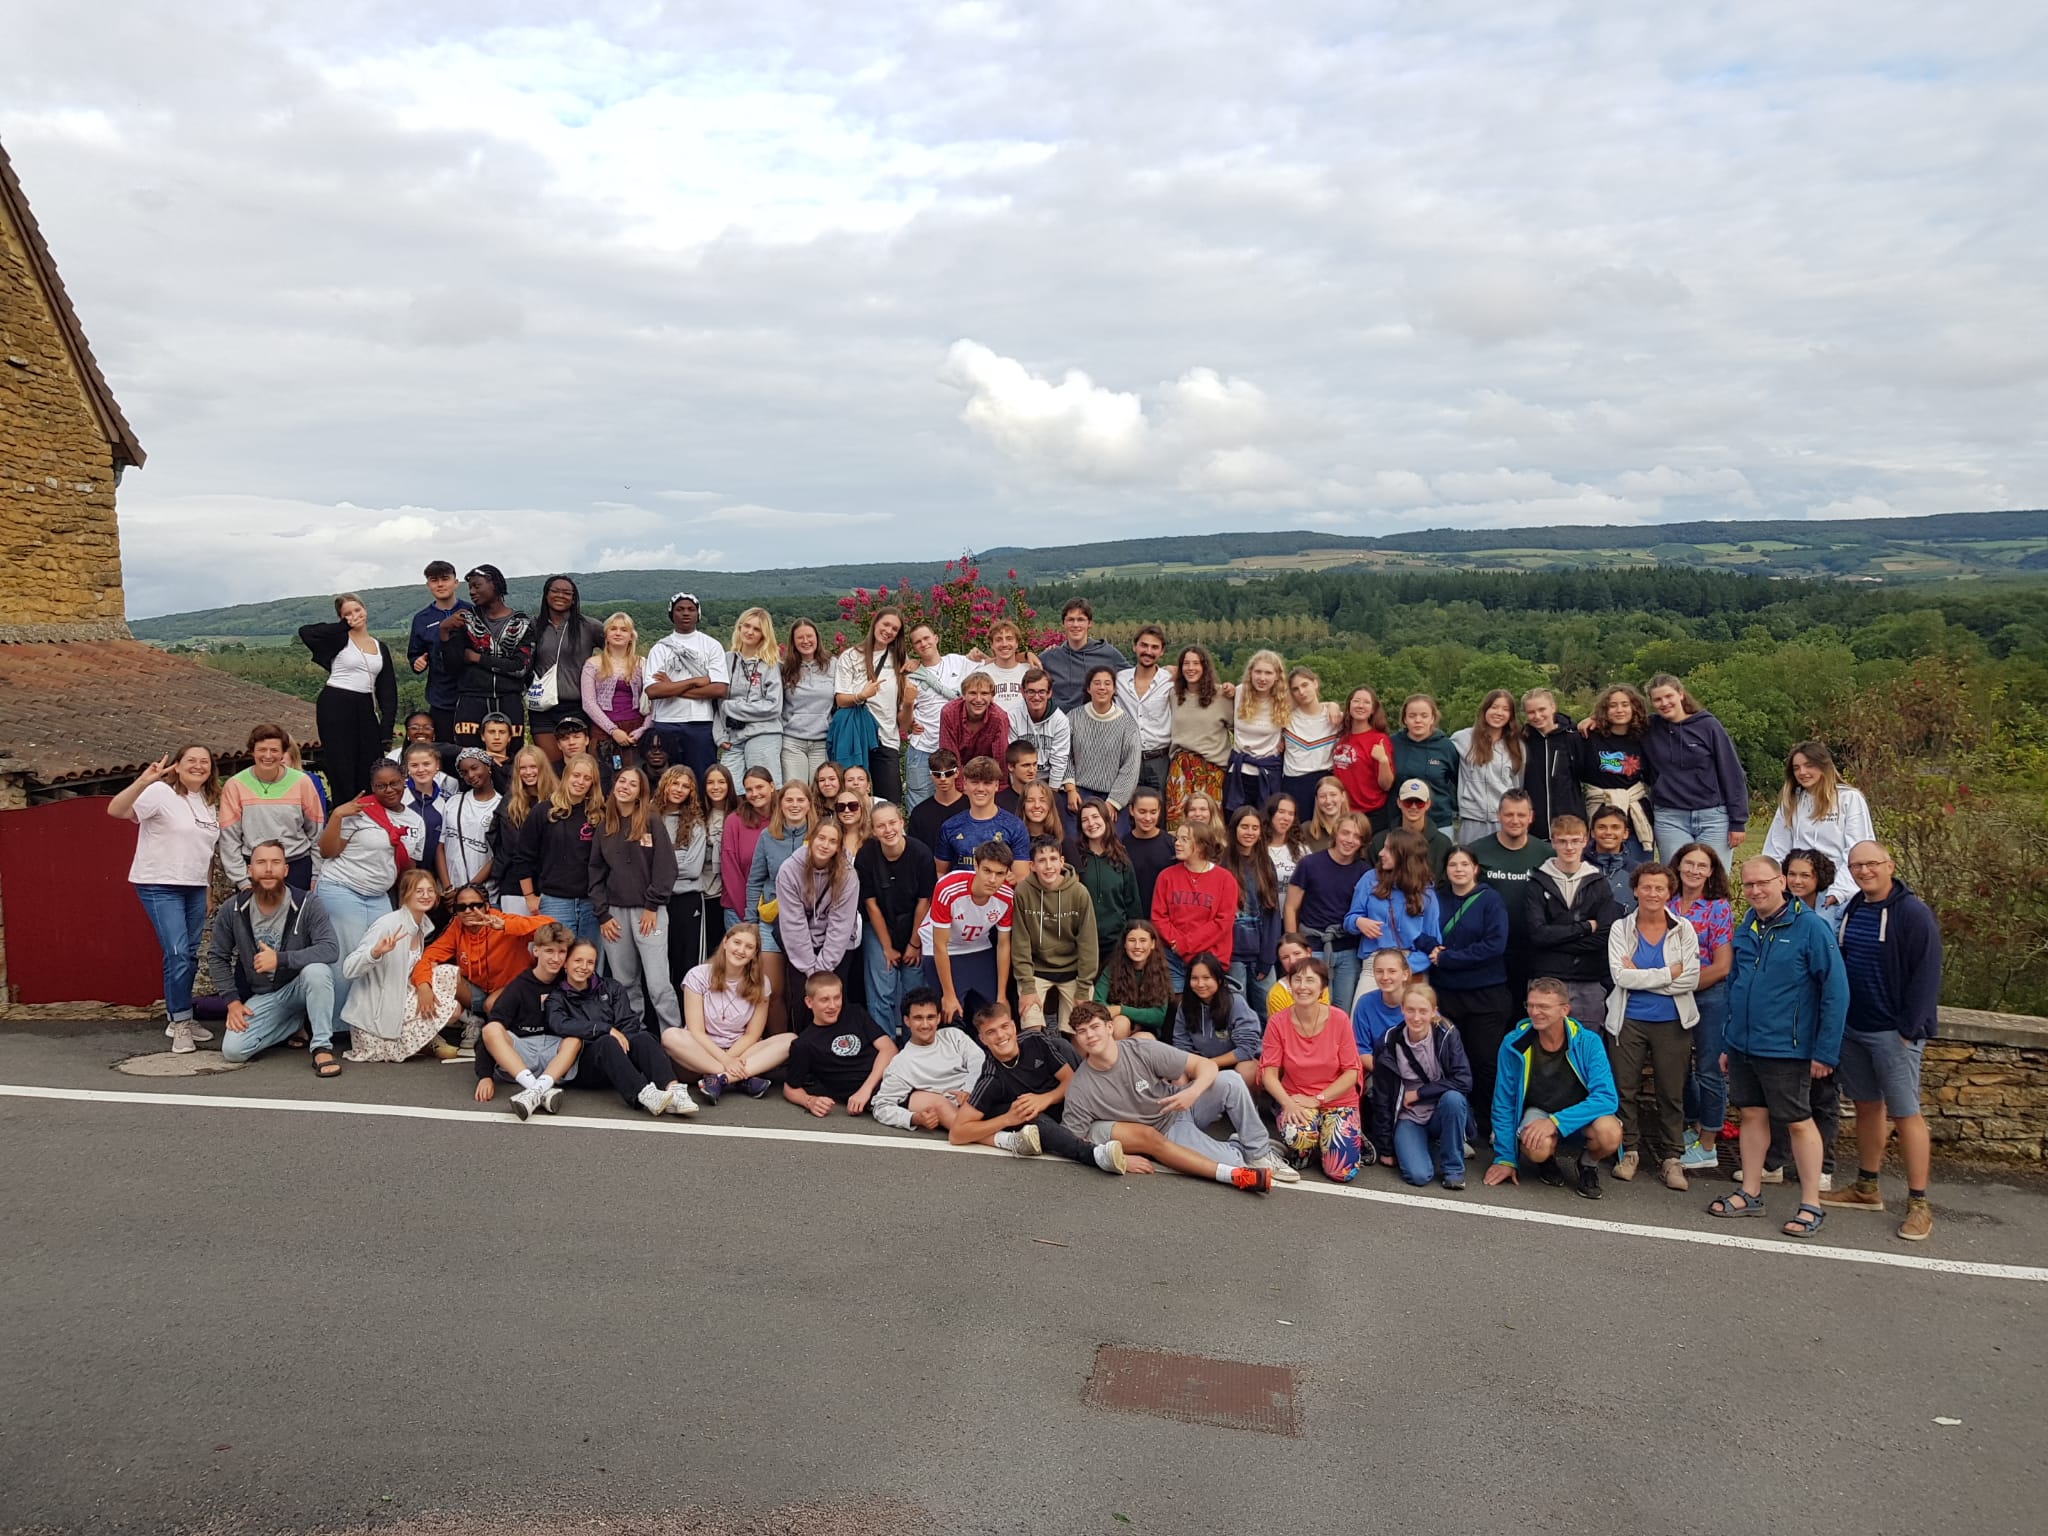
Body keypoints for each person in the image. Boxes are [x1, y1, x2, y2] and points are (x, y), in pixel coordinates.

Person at [1709, 857, 1848, 1239]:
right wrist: (1727, 1039)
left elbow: (1836, 991)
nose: (1755, 890)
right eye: (1749, 884)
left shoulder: (1811, 929)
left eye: (1763, 883)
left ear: (1782, 881)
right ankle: (1751, 1192)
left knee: (1799, 1122)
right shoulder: (1747, 927)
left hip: (1786, 1048)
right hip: (1743, 1044)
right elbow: (1734, 986)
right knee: (1752, 1115)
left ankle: (1810, 1203)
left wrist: (1826, 1051)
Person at [1820, 841, 1944, 1242]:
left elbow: (1927, 974)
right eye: (1856, 865)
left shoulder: (1912, 913)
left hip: (1894, 1033)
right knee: (1867, 1107)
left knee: (1907, 1114)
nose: (1864, 871)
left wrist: (1909, 1029)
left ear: (1890, 864)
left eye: (1871, 863)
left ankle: (1919, 1204)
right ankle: (1867, 1187)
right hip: (1853, 1028)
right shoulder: (1854, 907)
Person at [1062, 1001, 1279, 1193]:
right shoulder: (1081, 1087)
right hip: (1167, 1131)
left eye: (1095, 1027)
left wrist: (1192, 1093)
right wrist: (1119, 1159)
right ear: (1077, 1039)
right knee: (1234, 1162)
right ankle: (1238, 1147)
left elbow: (1204, 1065)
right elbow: (1072, 1142)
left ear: (1110, 1027)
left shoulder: (1140, 1049)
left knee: (1230, 1079)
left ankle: (1259, 1150)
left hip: (1180, 1102)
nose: (1090, 1035)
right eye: (1082, 1031)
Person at [112, 746, 222, 1056]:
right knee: (177, 953)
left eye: (205, 761)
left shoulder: (208, 800)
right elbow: (116, 810)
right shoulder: (159, 792)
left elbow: (207, 851)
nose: (198, 766)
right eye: (191, 761)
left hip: (195, 887)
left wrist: (208, 888)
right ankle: (182, 1024)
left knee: (187, 954)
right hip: (159, 884)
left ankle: (178, 1016)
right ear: (176, 766)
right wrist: (143, 782)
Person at [1603, 862, 1701, 1191]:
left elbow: (1691, 977)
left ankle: (1672, 1158)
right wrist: (1667, 973)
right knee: (1625, 1089)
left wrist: (1643, 978)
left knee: (1671, 1093)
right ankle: (1629, 1152)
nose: (1652, 893)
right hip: (1628, 1020)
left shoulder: (1683, 929)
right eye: (1646, 887)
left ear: (1669, 891)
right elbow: (1620, 977)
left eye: (1659, 888)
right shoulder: (1621, 928)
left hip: (1672, 1021)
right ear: (1635, 889)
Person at [1483, 978, 1624, 1199]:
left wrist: (1555, 1122)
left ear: (1564, 1010)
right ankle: (1546, 1161)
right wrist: (1505, 1159)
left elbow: (1606, 1098)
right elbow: (1504, 1103)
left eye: (1544, 1007)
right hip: (1539, 1112)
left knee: (1610, 1132)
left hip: (1579, 1115)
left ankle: (1588, 1165)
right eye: (1530, 1005)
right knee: (1536, 1148)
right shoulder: (1513, 1043)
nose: (1535, 1012)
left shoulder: (1589, 1042)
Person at [210, 840, 342, 1074]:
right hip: (266, 997)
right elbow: (217, 956)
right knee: (233, 1051)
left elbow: (330, 948)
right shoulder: (233, 909)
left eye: (275, 862)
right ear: (250, 871)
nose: (268, 869)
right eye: (261, 863)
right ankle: (291, 1025)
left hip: (299, 987)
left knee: (317, 971)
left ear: (286, 870)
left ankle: (321, 1047)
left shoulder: (307, 903)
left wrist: (281, 959)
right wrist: (232, 1002)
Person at [950, 1002, 1130, 1171]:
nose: (1000, 1036)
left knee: (1061, 1044)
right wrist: (1008, 1119)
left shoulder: (1034, 1039)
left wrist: (1045, 1099)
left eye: (1004, 1027)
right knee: (1029, 1113)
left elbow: (1071, 1080)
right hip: (1039, 1120)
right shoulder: (991, 1078)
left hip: (1064, 1102)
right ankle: (1096, 1155)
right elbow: (957, 1134)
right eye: (991, 1032)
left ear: (1013, 1026)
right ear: (982, 1039)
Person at [315, 760, 425, 1021]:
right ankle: (337, 1024)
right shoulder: (361, 812)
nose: (389, 789)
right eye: (381, 785)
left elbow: (409, 867)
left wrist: (409, 906)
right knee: (351, 957)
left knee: (384, 954)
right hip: (343, 888)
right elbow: (327, 851)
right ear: (373, 787)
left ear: (404, 780)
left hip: (379, 895)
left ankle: (371, 1019)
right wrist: (338, 815)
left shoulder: (415, 820)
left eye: (394, 783)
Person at [545, 938, 701, 1117]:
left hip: (619, 1057)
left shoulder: (611, 987)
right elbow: (560, 1024)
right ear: (565, 964)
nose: (584, 967)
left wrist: (621, 1040)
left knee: (643, 1038)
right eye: (578, 961)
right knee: (606, 1041)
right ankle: (644, 1094)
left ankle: (674, 1091)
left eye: (590, 962)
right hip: (585, 1063)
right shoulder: (557, 996)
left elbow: (628, 1021)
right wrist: (604, 1028)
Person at [1428, 845, 1513, 1146]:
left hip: (1485, 994)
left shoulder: (1490, 900)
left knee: (1484, 1060)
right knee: (1449, 1061)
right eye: (1453, 864)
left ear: (1475, 868)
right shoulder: (1436, 899)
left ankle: (1489, 1122)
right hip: (1447, 993)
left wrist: (1450, 958)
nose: (1459, 869)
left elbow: (1494, 945)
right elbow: (1423, 932)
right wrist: (1432, 948)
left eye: (1464, 864)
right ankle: (1458, 1123)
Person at [589, 765, 682, 1033]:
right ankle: (634, 1035)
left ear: (641, 792)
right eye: (621, 781)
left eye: (632, 783)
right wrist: (603, 914)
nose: (625, 787)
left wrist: (653, 904)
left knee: (658, 983)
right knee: (624, 981)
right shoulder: (606, 825)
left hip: (649, 912)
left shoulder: (651, 821)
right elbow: (595, 871)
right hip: (614, 915)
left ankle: (673, 1037)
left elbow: (666, 867)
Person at [1259, 955, 1367, 1182]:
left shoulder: (1340, 1019)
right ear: (1289, 985)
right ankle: (1308, 1146)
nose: (1302, 986)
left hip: (1336, 1099)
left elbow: (1352, 1072)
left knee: (1342, 1172)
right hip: (1296, 1098)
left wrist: (1318, 1099)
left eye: (1310, 980)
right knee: (1299, 1138)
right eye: (1296, 980)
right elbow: (1268, 1073)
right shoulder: (1278, 1022)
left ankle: (1338, 1134)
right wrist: (1287, 1103)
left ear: (1323, 988)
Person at [663, 922, 791, 1102]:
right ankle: (739, 1079)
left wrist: (731, 1059)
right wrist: (726, 1061)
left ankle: (721, 1079)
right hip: (702, 1051)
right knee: (670, 1036)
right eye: (737, 943)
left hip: (741, 1051)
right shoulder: (698, 975)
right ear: (725, 943)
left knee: (790, 1040)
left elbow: (752, 1035)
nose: (741, 950)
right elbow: (696, 1031)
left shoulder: (762, 983)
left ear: (755, 954)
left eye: (749, 947)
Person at [412, 883, 555, 1039]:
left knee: (492, 1005)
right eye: (461, 907)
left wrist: (507, 925)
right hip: (478, 991)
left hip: (513, 987)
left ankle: (505, 1036)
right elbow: (429, 957)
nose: (468, 911)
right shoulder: (457, 926)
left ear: (486, 906)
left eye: (475, 906)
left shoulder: (501, 921)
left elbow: (552, 926)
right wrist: (423, 987)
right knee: (440, 973)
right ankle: (472, 1020)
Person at [340, 868, 454, 1064]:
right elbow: (348, 969)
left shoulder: (421, 926)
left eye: (430, 891)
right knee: (453, 1006)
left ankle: (423, 1038)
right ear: (405, 894)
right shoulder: (388, 924)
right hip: (376, 1013)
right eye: (419, 891)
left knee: (443, 973)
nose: (426, 896)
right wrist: (375, 953)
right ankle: (423, 1039)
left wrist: (423, 986)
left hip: (398, 996)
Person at [1369, 981, 1475, 1189]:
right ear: (1402, 1010)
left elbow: (1464, 1080)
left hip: (1440, 1110)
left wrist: (1419, 1093)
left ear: (1434, 1012)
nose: (1416, 1017)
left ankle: (1453, 1168)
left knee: (1454, 1098)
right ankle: (1434, 1146)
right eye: (1410, 1010)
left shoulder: (1447, 1034)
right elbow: (1382, 1097)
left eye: (1423, 1011)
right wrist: (1386, 1148)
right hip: (1409, 1115)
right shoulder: (1389, 1041)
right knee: (1418, 1176)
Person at [472, 922, 582, 1117]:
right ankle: (537, 1088)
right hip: (522, 1054)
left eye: (561, 952)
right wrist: (485, 1076)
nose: (555, 958)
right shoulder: (519, 986)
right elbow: (490, 1033)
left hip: (555, 1056)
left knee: (575, 1040)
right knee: (491, 1029)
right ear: (536, 951)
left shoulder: (570, 981)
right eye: (549, 951)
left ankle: (535, 1091)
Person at [1671, 842, 1735, 1174]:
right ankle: (1694, 1125)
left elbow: (1723, 965)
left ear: (1711, 871)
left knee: (1709, 1069)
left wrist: (1681, 985)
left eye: (1702, 866)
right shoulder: (1665, 903)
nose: (1694, 870)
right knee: (1677, 1069)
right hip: (1670, 998)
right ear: (1678, 865)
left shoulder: (1717, 908)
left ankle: (1709, 1143)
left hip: (1708, 995)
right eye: (1689, 863)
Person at [298, 593, 397, 805]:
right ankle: (344, 812)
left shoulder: (380, 647)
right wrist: (343, 626)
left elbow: (388, 691)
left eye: (357, 610)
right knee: (342, 763)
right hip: (336, 702)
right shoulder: (340, 638)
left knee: (371, 762)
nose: (354, 616)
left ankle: (371, 810)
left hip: (365, 706)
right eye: (347, 613)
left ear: (365, 610)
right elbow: (306, 633)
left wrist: (386, 730)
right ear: (341, 617)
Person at [1642, 673, 1748, 867]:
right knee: (1674, 880)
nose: (1664, 703)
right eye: (1657, 699)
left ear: (1681, 694)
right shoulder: (1649, 728)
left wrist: (1737, 821)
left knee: (1713, 880)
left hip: (1713, 816)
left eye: (1669, 696)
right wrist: (1593, 720)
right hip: (1670, 817)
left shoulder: (1708, 725)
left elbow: (1732, 773)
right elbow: (1618, 719)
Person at [1526, 815, 1621, 1028]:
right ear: (1553, 841)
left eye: (1575, 840)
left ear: (1586, 840)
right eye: (1562, 841)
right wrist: (1585, 927)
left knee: (1586, 1046)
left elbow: (1605, 935)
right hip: (1546, 979)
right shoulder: (1537, 882)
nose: (1569, 847)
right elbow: (1538, 935)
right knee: (1546, 1045)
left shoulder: (1598, 883)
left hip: (1588, 979)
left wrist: (1556, 942)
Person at [1761, 741, 1875, 911]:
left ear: (1824, 766)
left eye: (1809, 766)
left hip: (1834, 886)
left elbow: (1856, 849)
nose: (1802, 772)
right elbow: (1776, 849)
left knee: (1822, 925)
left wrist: (1838, 892)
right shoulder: (1791, 801)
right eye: (1796, 768)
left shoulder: (1849, 798)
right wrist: (1774, 886)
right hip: (1797, 885)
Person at [855, 801, 935, 1038]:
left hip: (915, 924)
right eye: (881, 826)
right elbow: (871, 904)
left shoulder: (921, 853)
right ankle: (885, 1045)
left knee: (915, 987)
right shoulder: (866, 855)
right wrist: (888, 948)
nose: (888, 830)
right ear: (873, 830)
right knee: (882, 988)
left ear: (902, 823)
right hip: (879, 924)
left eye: (892, 823)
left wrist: (914, 943)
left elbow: (924, 901)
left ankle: (917, 1043)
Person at [1465, 789, 1553, 1003]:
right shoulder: (1476, 851)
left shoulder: (1547, 854)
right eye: (1509, 814)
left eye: (1521, 815)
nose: (1515, 820)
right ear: (1499, 815)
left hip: (1532, 947)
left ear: (1531, 817)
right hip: (1490, 947)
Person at [776, 816, 861, 1028]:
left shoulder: (848, 875)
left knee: (834, 1004)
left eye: (832, 841)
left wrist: (823, 969)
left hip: (836, 948)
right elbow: (793, 923)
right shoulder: (789, 870)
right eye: (821, 838)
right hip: (801, 947)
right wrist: (810, 969)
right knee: (804, 1005)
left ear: (839, 847)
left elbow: (840, 926)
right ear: (811, 839)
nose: (825, 845)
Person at [218, 724, 325, 891]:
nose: (268, 755)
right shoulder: (235, 785)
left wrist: (316, 874)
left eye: (274, 750)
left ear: (283, 753)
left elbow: (317, 832)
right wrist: (242, 880)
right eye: (262, 750)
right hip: (254, 867)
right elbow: (229, 839)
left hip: (296, 866)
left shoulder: (302, 782)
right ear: (252, 752)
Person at [748, 779, 818, 1032]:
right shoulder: (768, 836)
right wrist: (750, 923)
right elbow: (755, 880)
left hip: (809, 922)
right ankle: (780, 1051)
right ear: (780, 803)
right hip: (770, 919)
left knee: (804, 988)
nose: (795, 805)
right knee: (773, 990)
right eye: (789, 800)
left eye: (800, 800)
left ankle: (809, 1044)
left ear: (809, 804)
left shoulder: (820, 835)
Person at [1012, 835, 1100, 1036]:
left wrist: (1084, 986)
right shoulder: (1023, 892)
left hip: (1072, 970)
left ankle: (1077, 1066)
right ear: (1032, 865)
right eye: (1042, 861)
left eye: (1053, 859)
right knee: (1030, 1023)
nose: (1048, 866)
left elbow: (1088, 943)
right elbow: (1020, 943)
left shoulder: (1079, 892)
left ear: (1062, 861)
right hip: (1036, 970)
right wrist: (1027, 986)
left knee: (1082, 1029)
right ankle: (1042, 1065)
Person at [441, 564, 535, 748]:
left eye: (477, 586)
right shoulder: (464, 621)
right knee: (469, 758)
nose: (472, 592)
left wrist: (478, 658)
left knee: (510, 758)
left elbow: (520, 668)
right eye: (470, 588)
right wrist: (444, 632)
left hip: (509, 700)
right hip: (471, 700)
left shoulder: (522, 623)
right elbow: (452, 667)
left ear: (494, 584)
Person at [921, 842, 1015, 1026]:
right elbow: (940, 944)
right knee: (952, 1014)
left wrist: (1001, 995)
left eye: (1000, 873)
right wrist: (949, 995)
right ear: (976, 866)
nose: (992, 879)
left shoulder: (1007, 897)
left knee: (995, 1013)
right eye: (987, 871)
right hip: (943, 947)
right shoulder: (948, 888)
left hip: (978, 945)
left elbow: (1004, 944)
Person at [1283, 810, 1369, 1011]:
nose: (1349, 840)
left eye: (1357, 836)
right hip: (1314, 946)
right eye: (1345, 833)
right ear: (1336, 833)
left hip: (1348, 948)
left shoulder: (1365, 872)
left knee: (1342, 1010)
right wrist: (1293, 947)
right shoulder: (1310, 864)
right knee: (1310, 1006)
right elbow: (1290, 906)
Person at [782, 970, 898, 1117]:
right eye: (824, 1000)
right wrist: (810, 1101)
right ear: (809, 1002)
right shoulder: (804, 1043)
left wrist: (865, 1091)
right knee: (929, 1106)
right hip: (881, 1095)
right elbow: (790, 1087)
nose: (832, 1006)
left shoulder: (855, 1013)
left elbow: (889, 1049)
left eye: (837, 998)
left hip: (894, 1075)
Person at [515, 753, 605, 943]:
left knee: (589, 963)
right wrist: (530, 896)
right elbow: (523, 856)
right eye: (576, 775)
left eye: (587, 778)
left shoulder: (600, 815)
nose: (580, 781)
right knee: (556, 960)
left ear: (593, 783)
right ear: (566, 776)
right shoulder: (543, 811)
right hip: (555, 900)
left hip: (592, 903)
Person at [872, 987, 988, 1132]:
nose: (925, 1025)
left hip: (982, 1094)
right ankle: (1007, 1140)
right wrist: (914, 1118)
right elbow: (881, 1107)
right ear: (907, 1021)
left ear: (939, 1018)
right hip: (956, 1112)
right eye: (918, 1018)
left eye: (931, 1017)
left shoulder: (953, 1036)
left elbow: (978, 1061)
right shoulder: (901, 1063)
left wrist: (969, 1090)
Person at [644, 591, 730, 781]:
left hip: (701, 723)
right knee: (668, 780)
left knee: (701, 778)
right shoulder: (660, 648)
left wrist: (672, 687)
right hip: (666, 722)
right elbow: (653, 690)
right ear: (671, 614)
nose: (685, 613)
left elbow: (719, 689)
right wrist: (694, 681)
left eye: (691, 609)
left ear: (698, 614)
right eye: (680, 609)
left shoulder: (711, 646)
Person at [523, 575, 605, 764]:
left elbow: (618, 651)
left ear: (574, 598)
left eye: (567, 593)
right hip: (542, 707)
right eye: (555, 591)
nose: (561, 596)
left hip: (577, 705)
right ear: (546, 595)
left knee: (577, 766)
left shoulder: (589, 626)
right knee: (553, 767)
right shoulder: (533, 626)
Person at [1151, 819, 1238, 989]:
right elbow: (1158, 916)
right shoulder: (1166, 876)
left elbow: (1223, 922)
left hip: (1210, 959)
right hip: (1173, 958)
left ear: (1200, 845)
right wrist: (1176, 943)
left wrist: (1185, 945)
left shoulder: (1225, 879)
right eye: (1177, 838)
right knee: (1176, 1008)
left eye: (1185, 839)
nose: (1177, 843)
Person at [833, 605, 908, 801]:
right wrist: (861, 695)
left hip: (886, 738)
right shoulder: (850, 656)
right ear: (875, 623)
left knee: (889, 802)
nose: (889, 631)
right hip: (855, 737)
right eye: (886, 624)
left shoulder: (899, 660)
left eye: (895, 629)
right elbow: (840, 699)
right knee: (851, 801)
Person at [1346, 828, 1441, 976]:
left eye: (1388, 849)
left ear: (1404, 855)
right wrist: (1358, 921)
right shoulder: (1369, 879)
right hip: (1375, 961)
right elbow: (1349, 920)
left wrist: (1406, 968)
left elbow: (1434, 943)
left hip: (1411, 963)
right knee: (1364, 1000)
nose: (1380, 853)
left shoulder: (1426, 892)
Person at [1575, 682, 1656, 854]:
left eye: (1625, 705)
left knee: (1636, 873)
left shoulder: (1644, 737)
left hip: (1635, 814)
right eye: (1613, 705)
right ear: (1604, 710)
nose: (1619, 710)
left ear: (1634, 708)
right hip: (1599, 812)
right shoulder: (1590, 737)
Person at [901, 623, 972, 810]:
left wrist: (1026, 655)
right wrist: (908, 704)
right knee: (920, 806)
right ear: (914, 648)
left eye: (926, 638)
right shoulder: (911, 676)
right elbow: (904, 724)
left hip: (954, 747)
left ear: (936, 638)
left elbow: (992, 663)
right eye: (917, 642)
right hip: (923, 747)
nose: (923, 644)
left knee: (958, 804)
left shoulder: (957, 662)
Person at [1170, 951, 1263, 1092]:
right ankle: (1186, 1113)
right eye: (1194, 978)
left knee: (1248, 1069)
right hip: (1201, 1064)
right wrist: (1199, 1065)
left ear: (1219, 979)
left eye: (1207, 978)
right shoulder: (1185, 1006)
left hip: (1232, 1063)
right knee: (1177, 1074)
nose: (1200, 984)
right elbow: (1181, 1045)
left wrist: (1210, 1064)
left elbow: (1247, 1048)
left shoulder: (1235, 1002)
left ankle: (1246, 1110)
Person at [1065, 664, 1142, 835]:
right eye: (1097, 683)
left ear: (1114, 689)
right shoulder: (1074, 717)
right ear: (1088, 688)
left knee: (1115, 842)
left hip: (1112, 796)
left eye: (1107, 683)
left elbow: (1131, 767)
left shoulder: (1127, 724)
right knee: (1077, 841)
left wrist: (1113, 802)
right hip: (1079, 794)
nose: (1102, 687)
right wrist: (1070, 789)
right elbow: (1065, 756)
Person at [1222, 804, 1282, 1014]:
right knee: (1238, 1011)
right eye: (1244, 827)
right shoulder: (1222, 864)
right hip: (1233, 956)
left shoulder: (1265, 864)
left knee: (1270, 1009)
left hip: (1261, 954)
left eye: (1254, 828)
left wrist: (1268, 957)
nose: (1249, 832)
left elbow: (1273, 913)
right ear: (1234, 829)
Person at [711, 605, 781, 782]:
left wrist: (733, 707)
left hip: (762, 733)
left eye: (756, 629)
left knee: (761, 789)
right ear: (739, 627)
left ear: (764, 635)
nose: (749, 632)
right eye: (746, 626)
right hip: (732, 737)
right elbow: (717, 703)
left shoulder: (771, 664)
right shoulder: (725, 660)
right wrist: (719, 735)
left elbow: (774, 706)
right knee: (728, 789)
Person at [580, 611, 652, 781]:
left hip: (636, 730)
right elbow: (588, 702)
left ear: (631, 636)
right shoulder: (593, 664)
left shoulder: (642, 663)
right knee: (603, 781)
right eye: (613, 629)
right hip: (603, 731)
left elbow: (653, 702)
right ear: (606, 634)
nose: (618, 633)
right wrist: (613, 730)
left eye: (624, 629)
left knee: (636, 781)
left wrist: (643, 730)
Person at [1166, 644, 1232, 827]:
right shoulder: (1173, 694)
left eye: (1196, 663)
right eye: (1186, 663)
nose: (1191, 668)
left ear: (1205, 667)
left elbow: (1242, 727)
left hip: (1212, 770)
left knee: (1212, 826)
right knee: (1179, 824)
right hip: (1181, 769)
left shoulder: (1221, 695)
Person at [1449, 690, 1524, 847]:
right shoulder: (1462, 739)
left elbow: (1518, 785)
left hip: (1504, 819)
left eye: (1505, 709)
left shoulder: (1517, 745)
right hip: (1472, 819)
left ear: (1511, 715)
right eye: (1494, 707)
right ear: (1485, 710)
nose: (1499, 713)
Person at [936, 755, 1031, 878]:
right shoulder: (950, 827)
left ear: (996, 785)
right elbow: (941, 873)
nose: (980, 789)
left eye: (987, 783)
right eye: (975, 782)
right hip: (961, 894)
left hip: (1000, 895)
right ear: (965, 784)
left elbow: (1021, 877)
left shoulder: (1015, 827)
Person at [409, 560, 471, 744]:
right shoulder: (421, 619)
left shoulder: (472, 611)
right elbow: (414, 654)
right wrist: (417, 662)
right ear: (428, 585)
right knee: (443, 751)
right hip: (440, 699)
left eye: (445, 579)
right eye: (434, 580)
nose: (440, 584)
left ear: (456, 582)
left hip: (471, 694)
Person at [1113, 624, 1176, 797]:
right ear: (1135, 646)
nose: (1148, 651)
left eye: (1154, 647)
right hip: (1127, 760)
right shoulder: (1119, 680)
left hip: (1159, 760)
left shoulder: (1171, 681)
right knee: (1126, 811)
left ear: (1162, 651)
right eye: (1144, 645)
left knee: (1160, 812)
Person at [1040, 598, 1127, 714]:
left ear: (1089, 623)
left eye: (1080, 620)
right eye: (1070, 620)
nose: (1075, 625)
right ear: (1063, 623)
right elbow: (1015, 665)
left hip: (1095, 725)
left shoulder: (1108, 654)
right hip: (1058, 727)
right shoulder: (1050, 657)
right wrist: (1026, 655)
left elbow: (1135, 677)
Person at [1226, 649, 1287, 811]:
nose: (1262, 678)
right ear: (1250, 673)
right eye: (1258, 672)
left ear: (1277, 676)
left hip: (1268, 773)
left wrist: (1332, 706)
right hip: (1239, 772)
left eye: (1268, 673)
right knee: (1235, 823)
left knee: (1265, 824)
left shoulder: (1284, 700)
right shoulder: (1238, 693)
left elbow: (1311, 707)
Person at [779, 616, 837, 788]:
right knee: (796, 792)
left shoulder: (832, 665)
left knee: (818, 794)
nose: (806, 641)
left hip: (822, 740)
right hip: (792, 741)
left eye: (809, 636)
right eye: (800, 638)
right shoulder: (784, 668)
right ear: (793, 642)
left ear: (817, 638)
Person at [1094, 920, 1174, 1040]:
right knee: (1122, 1023)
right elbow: (1098, 1002)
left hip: (1146, 1030)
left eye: (1143, 941)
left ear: (1152, 944)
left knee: (1145, 1039)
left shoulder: (1161, 972)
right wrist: (1122, 1015)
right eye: (1132, 940)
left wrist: (1120, 1009)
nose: (1137, 946)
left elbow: (1158, 1016)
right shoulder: (1112, 968)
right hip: (1114, 1026)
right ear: (1125, 944)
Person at [1330, 686, 1396, 830]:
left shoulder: (1379, 739)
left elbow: (1386, 785)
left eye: (1366, 702)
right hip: (1342, 812)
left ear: (1373, 709)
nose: (1360, 705)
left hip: (1371, 814)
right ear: (1349, 706)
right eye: (1356, 701)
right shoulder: (1341, 737)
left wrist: (1383, 761)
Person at [1391, 694, 1458, 833]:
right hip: (1401, 823)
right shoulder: (1393, 744)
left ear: (1432, 718)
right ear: (1404, 719)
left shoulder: (1445, 747)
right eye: (1412, 715)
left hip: (1439, 823)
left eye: (1424, 715)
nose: (1418, 720)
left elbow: (1458, 781)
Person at [1519, 688, 1580, 839]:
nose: (1537, 716)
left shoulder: (1573, 737)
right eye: (1531, 712)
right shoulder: (1522, 740)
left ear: (1553, 707)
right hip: (1534, 829)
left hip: (1568, 827)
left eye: (1542, 709)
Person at [720, 766, 774, 931]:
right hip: (738, 909)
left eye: (759, 787)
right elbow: (730, 870)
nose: (755, 793)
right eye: (749, 789)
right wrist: (748, 913)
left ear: (771, 786)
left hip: (776, 908)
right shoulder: (734, 821)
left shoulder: (783, 818)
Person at [1366, 780, 1453, 879]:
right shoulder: (1379, 841)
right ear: (1399, 803)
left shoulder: (1443, 844)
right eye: (1408, 802)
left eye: (1419, 803)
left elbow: (1444, 884)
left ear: (1428, 804)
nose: (1413, 807)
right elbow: (1371, 878)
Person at [1348, 947, 1407, 1073]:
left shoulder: (1419, 1002)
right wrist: (1388, 1075)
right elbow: (1362, 1050)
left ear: (1405, 974)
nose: (1385, 977)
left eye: (1392, 971)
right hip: (1379, 1072)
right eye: (1379, 971)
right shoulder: (1365, 1003)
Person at [1123, 789, 1177, 913]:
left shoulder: (1172, 844)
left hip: (1165, 916)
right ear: (1132, 810)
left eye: (1153, 812)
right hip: (1133, 918)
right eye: (1142, 812)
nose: (1148, 818)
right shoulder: (1121, 845)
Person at [1588, 804, 1646, 915]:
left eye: (1615, 827)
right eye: (1602, 827)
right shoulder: (1578, 866)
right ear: (1592, 833)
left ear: (1625, 833)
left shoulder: (1638, 871)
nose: (1608, 832)